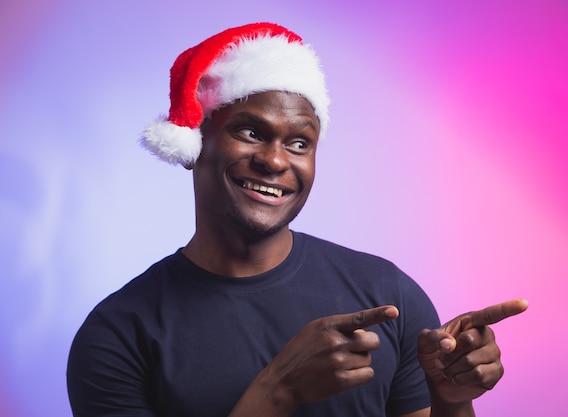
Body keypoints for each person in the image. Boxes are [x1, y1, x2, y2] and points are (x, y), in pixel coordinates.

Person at [66, 22, 528, 417]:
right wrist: (278, 392)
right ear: (195, 145)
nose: (274, 160)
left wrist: (451, 400)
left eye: (299, 143)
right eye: (250, 132)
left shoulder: (389, 294)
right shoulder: (118, 334)